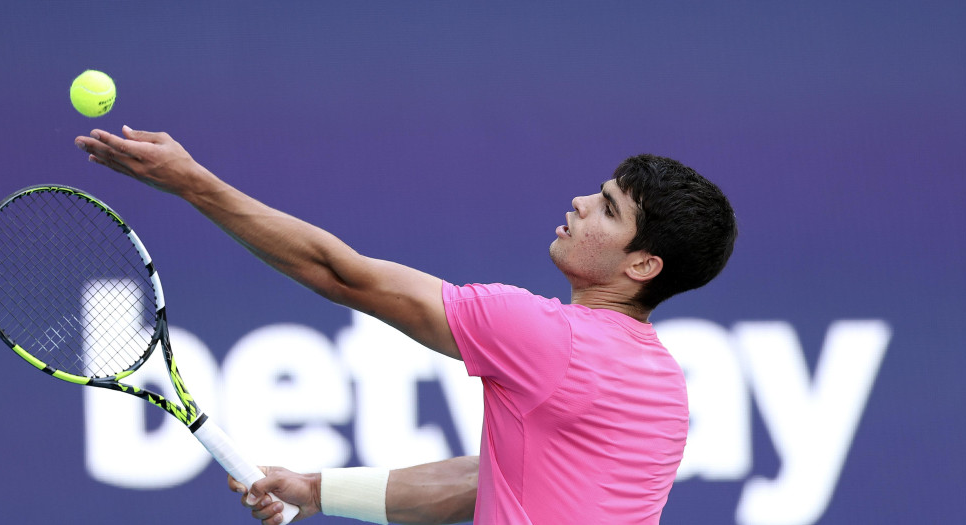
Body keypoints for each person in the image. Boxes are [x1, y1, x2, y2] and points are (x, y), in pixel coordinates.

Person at [75, 126, 737, 524]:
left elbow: (341, 274)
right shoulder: (663, 387)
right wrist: (315, 489)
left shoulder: (546, 337)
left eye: (609, 210)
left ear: (643, 263)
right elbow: (485, 483)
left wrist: (195, 184)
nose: (582, 203)